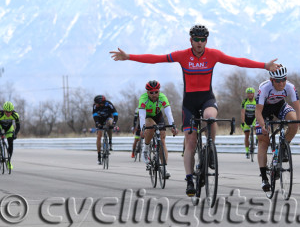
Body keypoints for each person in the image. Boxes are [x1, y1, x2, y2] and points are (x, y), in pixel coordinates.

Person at [110, 24, 280, 197]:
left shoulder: (213, 54)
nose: (199, 43)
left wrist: (264, 65)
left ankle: (211, 147)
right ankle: (189, 179)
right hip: (189, 103)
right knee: (191, 142)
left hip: (207, 98)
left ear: (206, 40)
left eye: (203, 40)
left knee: (210, 117)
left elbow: (237, 61)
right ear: (190, 40)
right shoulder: (182, 55)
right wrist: (129, 56)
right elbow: (156, 58)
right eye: (196, 40)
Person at [255, 65, 300, 192]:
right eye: (278, 81)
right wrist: (263, 125)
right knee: (263, 141)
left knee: (293, 121)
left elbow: (298, 108)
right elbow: (258, 112)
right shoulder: (264, 88)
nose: (281, 83)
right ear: (272, 80)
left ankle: (283, 148)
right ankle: (264, 178)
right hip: (264, 110)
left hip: (280, 106)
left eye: (283, 79)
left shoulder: (290, 87)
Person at [138, 80, 178, 177]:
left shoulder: (162, 97)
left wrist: (173, 125)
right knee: (150, 128)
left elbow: (168, 112)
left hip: (158, 115)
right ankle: (146, 148)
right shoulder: (143, 98)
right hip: (148, 116)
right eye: (151, 92)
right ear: (147, 92)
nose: (154, 94)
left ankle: (164, 168)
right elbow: (142, 115)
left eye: (156, 92)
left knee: (162, 140)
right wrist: (142, 128)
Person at [92, 95, 118, 165]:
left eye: (96, 103)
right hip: (99, 120)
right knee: (99, 136)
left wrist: (114, 123)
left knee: (110, 123)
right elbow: (94, 116)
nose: (95, 104)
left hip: (108, 118)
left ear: (101, 103)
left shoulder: (109, 104)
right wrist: (97, 123)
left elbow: (115, 114)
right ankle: (99, 156)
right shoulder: (95, 106)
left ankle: (110, 141)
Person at [0, 101, 20, 170]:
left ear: (12, 111)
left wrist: (15, 133)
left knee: (11, 143)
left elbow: (18, 126)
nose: (8, 113)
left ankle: (8, 161)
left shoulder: (15, 115)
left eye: (10, 112)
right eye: (7, 112)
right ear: (4, 110)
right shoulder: (0, 114)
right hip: (0, 126)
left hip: (9, 128)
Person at [241, 87, 257, 158]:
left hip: (254, 118)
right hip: (247, 120)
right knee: (246, 135)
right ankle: (247, 151)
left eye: (251, 93)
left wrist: (257, 121)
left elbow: (258, 112)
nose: (249, 95)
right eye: (248, 93)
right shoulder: (244, 101)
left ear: (253, 94)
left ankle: (257, 138)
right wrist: (242, 122)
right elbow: (242, 112)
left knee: (256, 128)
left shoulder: (256, 101)